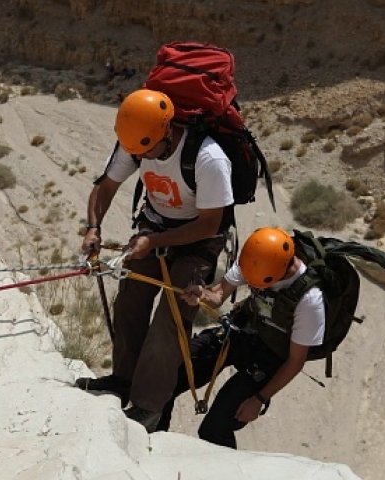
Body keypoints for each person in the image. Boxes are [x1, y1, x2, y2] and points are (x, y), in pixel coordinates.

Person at [75, 88, 234, 432]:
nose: (139, 158)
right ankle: (123, 380)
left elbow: (209, 223)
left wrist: (154, 240)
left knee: (171, 317)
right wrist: (93, 228)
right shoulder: (136, 143)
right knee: (130, 299)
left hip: (199, 240)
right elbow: (104, 188)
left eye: (145, 151)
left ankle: (148, 408)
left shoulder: (209, 158)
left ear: (167, 132)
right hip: (154, 226)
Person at [157, 227, 327, 448]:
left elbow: (295, 361)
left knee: (215, 428)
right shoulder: (256, 258)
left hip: (271, 355)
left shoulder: (309, 301)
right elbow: (218, 294)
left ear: (280, 272)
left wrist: (259, 399)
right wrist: (202, 294)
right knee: (169, 375)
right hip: (242, 332)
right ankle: (153, 442)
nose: (252, 285)